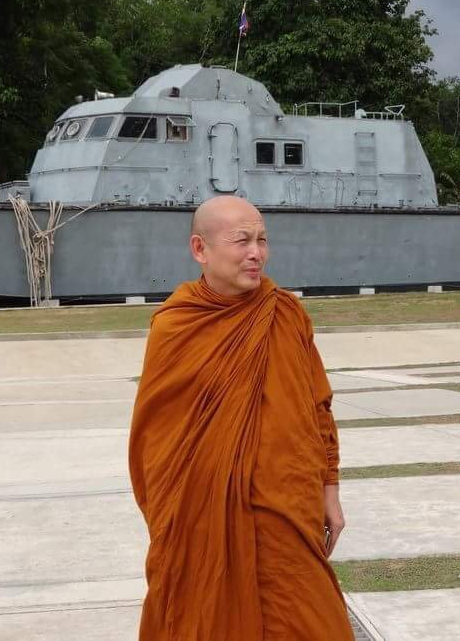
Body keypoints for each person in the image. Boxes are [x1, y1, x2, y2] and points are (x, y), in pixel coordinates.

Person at [129, 195, 355, 640]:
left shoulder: (285, 314)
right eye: (242, 241)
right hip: (203, 522)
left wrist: (330, 490)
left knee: (314, 622)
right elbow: (155, 445)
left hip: (285, 514)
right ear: (200, 249)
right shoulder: (176, 326)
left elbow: (318, 408)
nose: (256, 253)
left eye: (262, 240)